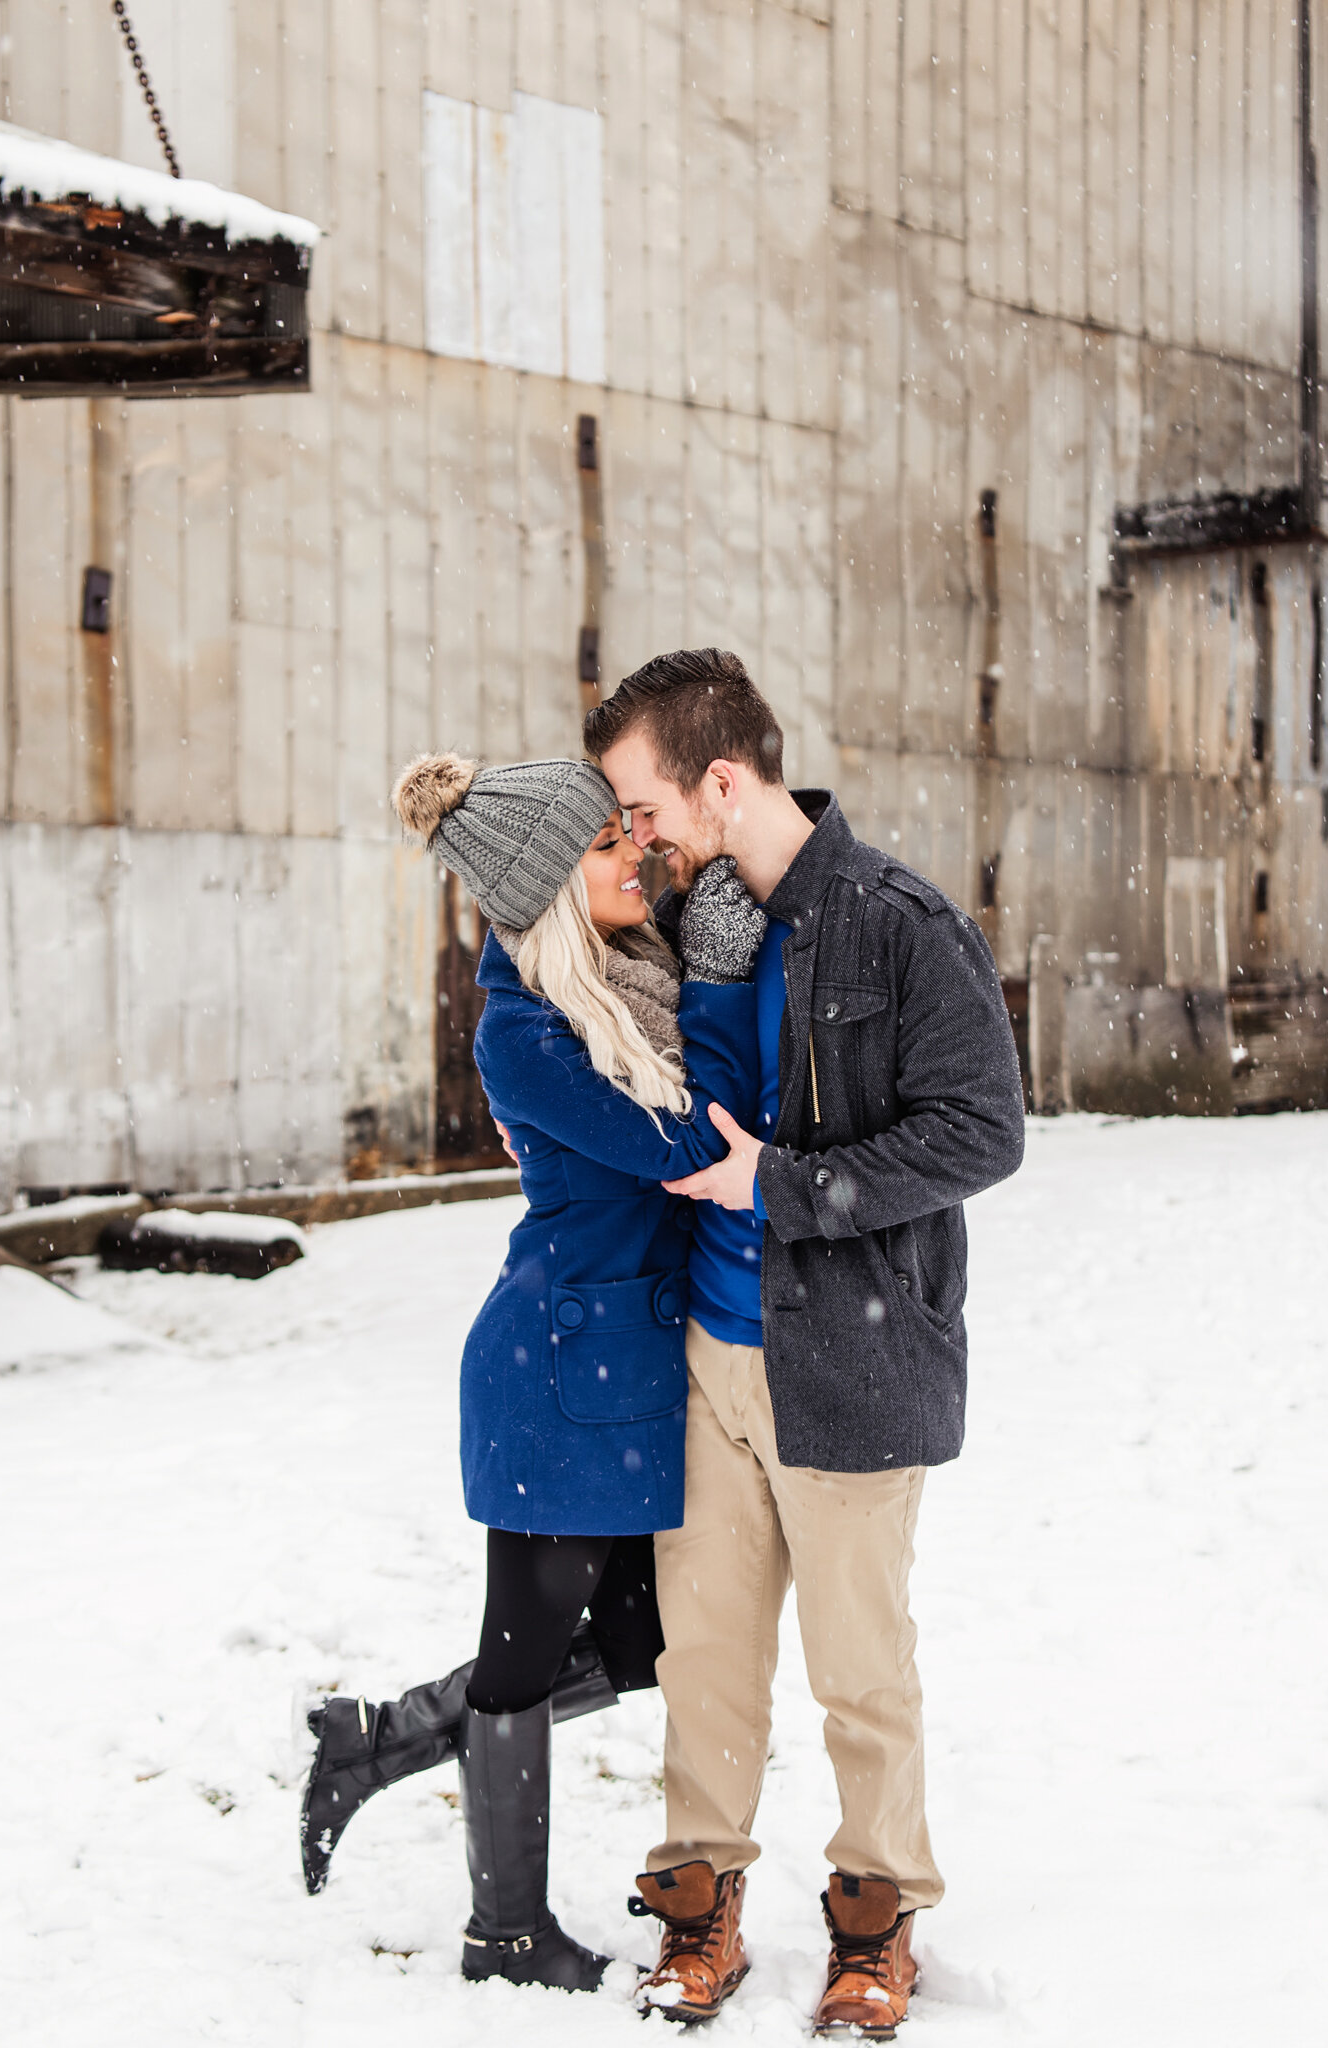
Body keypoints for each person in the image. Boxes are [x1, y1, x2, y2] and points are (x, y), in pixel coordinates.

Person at [587, 650, 1026, 2038]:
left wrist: (776, 1185)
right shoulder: (691, 927)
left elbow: (979, 1132)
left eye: (643, 803)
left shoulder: (896, 923)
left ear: (722, 779)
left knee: (855, 1666)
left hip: (850, 1355)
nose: (634, 834)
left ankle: (873, 1909)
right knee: (703, 1659)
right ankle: (696, 1900)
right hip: (710, 1356)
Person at [300, 750, 766, 1995]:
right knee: (523, 1652)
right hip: (560, 1375)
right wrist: (722, 995)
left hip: (614, 1370)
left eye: (630, 835)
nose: (638, 857)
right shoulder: (532, 1031)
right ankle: (503, 1930)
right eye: (609, 847)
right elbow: (682, 1142)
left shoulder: (620, 980)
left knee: (634, 1641)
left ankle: (379, 1739)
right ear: (552, 884)